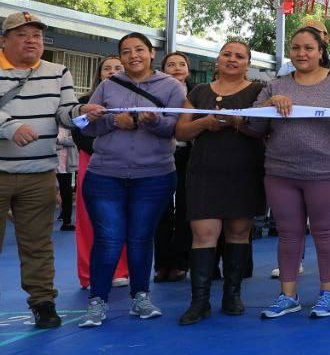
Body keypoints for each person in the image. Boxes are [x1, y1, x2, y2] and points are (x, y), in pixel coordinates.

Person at [249, 27, 330, 319]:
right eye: (296, 48)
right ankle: (288, 296)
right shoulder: (275, 85)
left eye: (309, 48)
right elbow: (252, 125)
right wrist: (267, 106)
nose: (302, 53)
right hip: (280, 172)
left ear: (321, 50)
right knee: (288, 235)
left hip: (327, 173)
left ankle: (329, 293)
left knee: (327, 233)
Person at [0, 11, 101, 329]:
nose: (31, 40)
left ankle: (43, 303)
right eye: (22, 34)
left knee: (38, 243)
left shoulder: (59, 71)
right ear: (4, 40)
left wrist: (83, 112)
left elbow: (65, 112)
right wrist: (9, 126)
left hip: (40, 173)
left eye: (37, 35)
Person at [77, 32, 186, 327]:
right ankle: (97, 301)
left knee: (140, 238)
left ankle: (141, 296)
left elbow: (174, 130)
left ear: (152, 53)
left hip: (154, 176)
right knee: (108, 239)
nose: (133, 55)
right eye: (126, 51)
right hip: (104, 175)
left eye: (140, 49)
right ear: (120, 57)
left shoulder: (171, 86)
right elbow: (86, 129)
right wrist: (114, 120)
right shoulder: (107, 85)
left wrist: (156, 122)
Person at [174, 40, 265, 324]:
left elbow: (264, 128)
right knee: (203, 234)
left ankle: (232, 294)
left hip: (244, 170)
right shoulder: (198, 92)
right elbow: (181, 131)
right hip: (204, 171)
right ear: (217, 60)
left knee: (239, 232)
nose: (232, 59)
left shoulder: (259, 91)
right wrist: (205, 123)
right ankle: (199, 301)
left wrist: (239, 123)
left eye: (239, 56)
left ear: (248, 63)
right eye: (227, 54)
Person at [72, 57, 129, 290]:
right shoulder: (85, 102)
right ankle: (88, 273)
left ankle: (120, 270)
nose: (112, 72)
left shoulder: (134, 102)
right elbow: (79, 132)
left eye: (118, 68)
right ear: (99, 74)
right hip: (92, 162)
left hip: (127, 164)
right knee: (88, 219)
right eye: (107, 68)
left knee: (123, 217)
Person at [152, 52, 192, 284]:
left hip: (189, 155)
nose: (176, 68)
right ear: (162, 69)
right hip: (159, 154)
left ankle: (180, 263)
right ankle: (161, 264)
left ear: (188, 69)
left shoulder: (198, 93)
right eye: (171, 64)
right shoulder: (155, 91)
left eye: (181, 64)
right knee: (162, 210)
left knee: (186, 209)